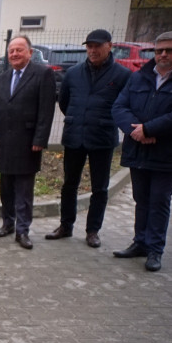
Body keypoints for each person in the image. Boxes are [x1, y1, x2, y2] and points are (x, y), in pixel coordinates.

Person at [47, 29, 130, 248]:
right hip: (75, 136)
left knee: (99, 188)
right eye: (89, 46)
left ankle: (93, 230)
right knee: (69, 185)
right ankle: (66, 226)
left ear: (109, 46)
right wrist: (79, 118)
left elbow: (126, 105)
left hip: (102, 138)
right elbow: (64, 102)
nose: (92, 50)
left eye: (97, 46)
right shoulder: (74, 73)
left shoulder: (122, 75)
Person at [111, 30, 172, 272]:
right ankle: (140, 242)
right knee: (140, 199)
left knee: (159, 200)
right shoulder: (139, 76)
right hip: (138, 150)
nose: (163, 54)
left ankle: (155, 249)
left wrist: (150, 129)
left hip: (167, 152)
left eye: (169, 50)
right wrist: (136, 131)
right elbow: (119, 106)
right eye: (159, 50)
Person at [0, 35, 57, 249]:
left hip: (28, 143)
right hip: (5, 142)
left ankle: (22, 230)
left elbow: (46, 111)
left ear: (30, 52)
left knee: (24, 190)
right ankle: (8, 223)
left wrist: (40, 140)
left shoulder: (43, 74)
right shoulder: (2, 78)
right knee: (6, 188)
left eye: (19, 50)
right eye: (11, 51)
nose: (14, 54)